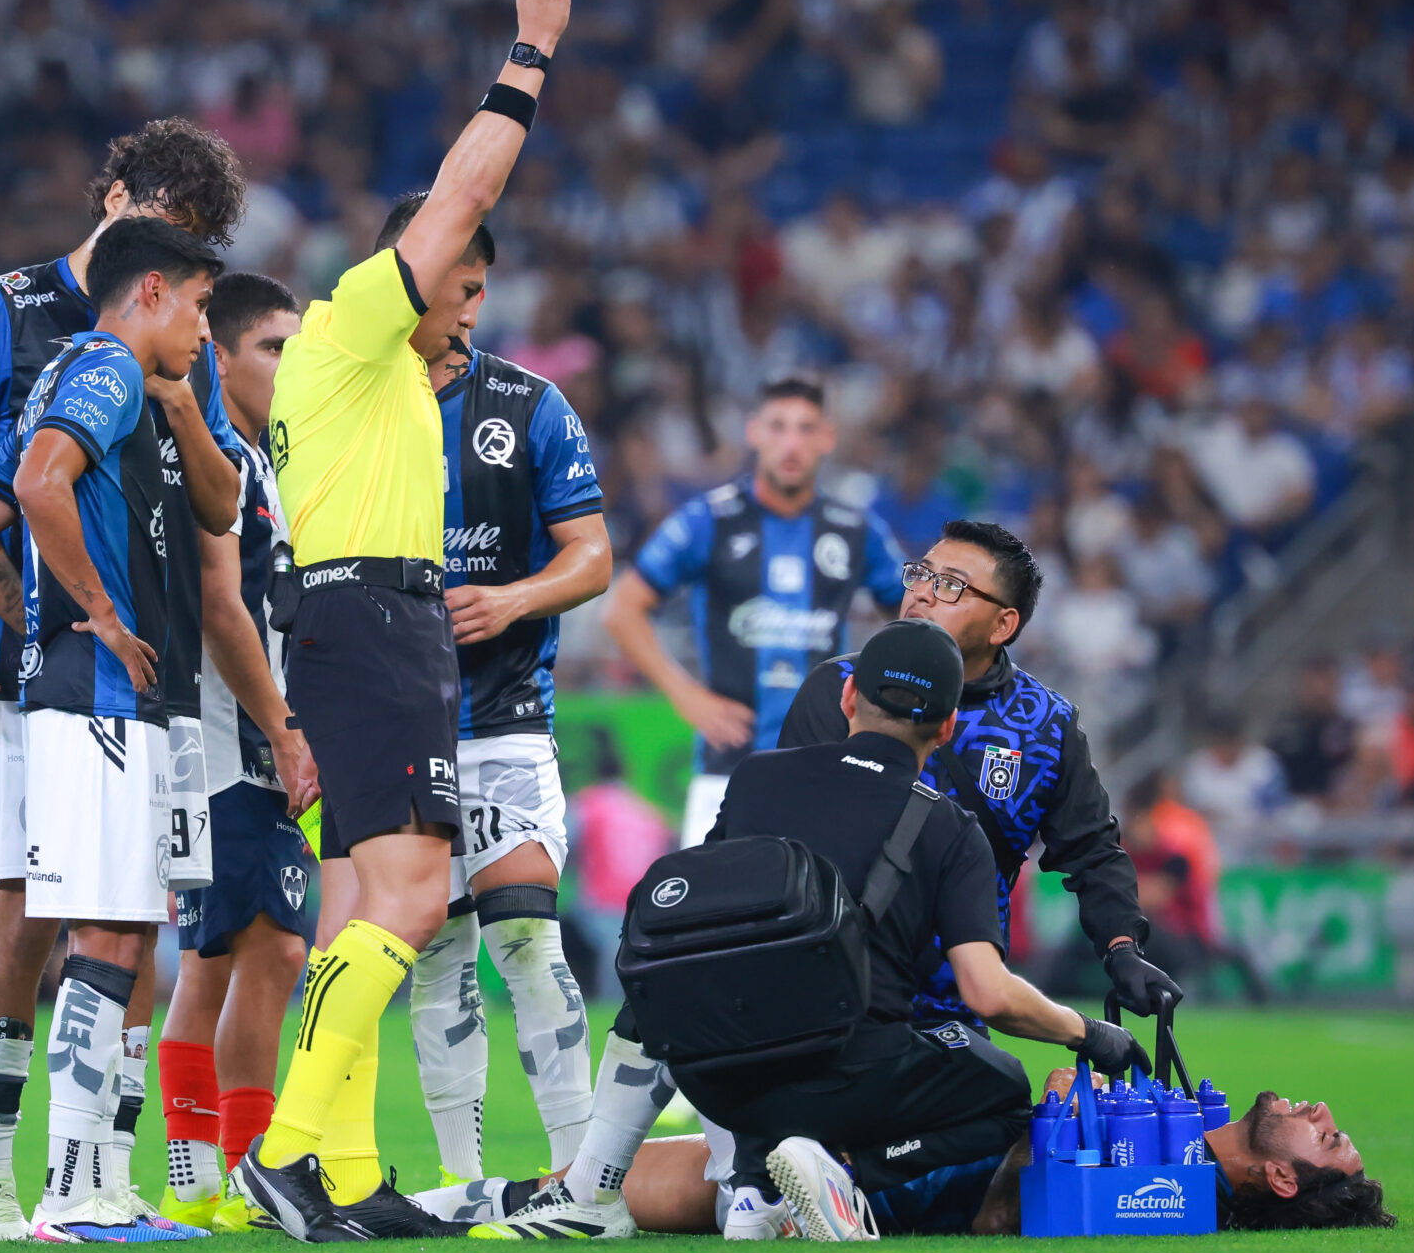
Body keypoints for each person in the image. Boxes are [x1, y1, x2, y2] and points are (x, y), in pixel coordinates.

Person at [229, 0, 573, 1243]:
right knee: (421, 899)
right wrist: (530, 50)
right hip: (377, 621)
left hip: (351, 619)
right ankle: (287, 1149)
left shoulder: (365, 379)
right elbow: (468, 180)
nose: (474, 310)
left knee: (366, 904)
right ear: (412, 273)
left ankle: (350, 1172)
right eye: (464, 285)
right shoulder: (363, 319)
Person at [478, 619, 1149, 1242]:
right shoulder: (950, 828)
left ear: (849, 694)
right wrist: (1090, 1034)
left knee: (679, 988)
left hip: (719, 1076)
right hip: (846, 1078)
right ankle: (849, 1175)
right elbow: (988, 993)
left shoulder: (755, 779)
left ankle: (692, 1184)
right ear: (947, 726)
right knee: (1005, 1093)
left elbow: (693, 929)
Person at [0, 117, 248, 1243]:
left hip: (147, 685)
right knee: (51, 918)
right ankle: (25, 1180)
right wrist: (34, 630)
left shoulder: (149, 358)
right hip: (83, 691)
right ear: (125, 217)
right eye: (191, 271)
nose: (209, 315)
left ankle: (102, 1169)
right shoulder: (30, 323)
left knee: (129, 921)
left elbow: (213, 517)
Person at [780, 520, 1176, 1028]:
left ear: (1002, 625)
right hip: (827, 994)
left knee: (1007, 1096)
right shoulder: (840, 685)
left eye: (949, 585)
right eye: (921, 575)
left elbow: (1094, 852)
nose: (922, 594)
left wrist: (1122, 948)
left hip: (958, 1009)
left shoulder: (1046, 726)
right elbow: (785, 831)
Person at [409, 257, 612, 1189]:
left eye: (479, 279)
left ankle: (578, 1175)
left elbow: (594, 555)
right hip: (395, 723)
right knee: (434, 948)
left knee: (525, 937)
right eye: (451, 275)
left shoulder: (529, 404)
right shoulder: (350, 395)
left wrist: (516, 598)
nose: (468, 295)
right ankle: (462, 1181)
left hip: (504, 716)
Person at [149, 274, 322, 1230]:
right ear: (221, 355)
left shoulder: (263, 463)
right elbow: (225, 611)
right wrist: (286, 730)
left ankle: (199, 1177)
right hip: (226, 737)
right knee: (268, 949)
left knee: (222, 956)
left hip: (231, 735)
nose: (291, 367)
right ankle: (241, 1173)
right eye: (274, 348)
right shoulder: (228, 467)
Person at [606, 378, 904, 845]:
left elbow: (912, 622)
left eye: (806, 429)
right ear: (754, 432)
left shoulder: (855, 531)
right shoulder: (710, 519)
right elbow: (623, 610)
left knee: (823, 913)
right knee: (706, 915)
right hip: (727, 771)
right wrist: (687, 697)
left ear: (827, 438)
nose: (791, 443)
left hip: (826, 773)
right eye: (778, 426)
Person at [596, 1063, 1392, 1237]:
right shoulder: (1182, 1133)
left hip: (886, 1181)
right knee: (600, 1177)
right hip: (888, 1113)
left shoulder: (1180, 1197)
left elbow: (1002, 1224)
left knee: (608, 1186)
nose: (1321, 1109)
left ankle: (491, 1200)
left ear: (1282, 1175)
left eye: (1328, 1135)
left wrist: (1052, 1126)